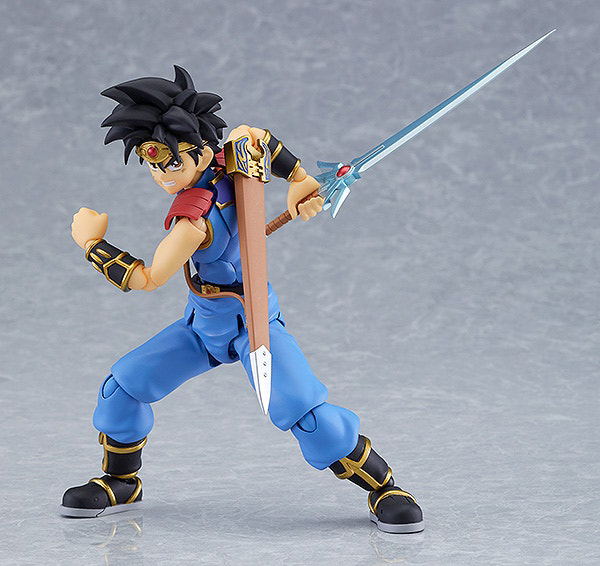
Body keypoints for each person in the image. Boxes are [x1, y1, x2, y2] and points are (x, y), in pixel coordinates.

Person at [61, 66, 423, 534]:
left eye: (173, 162)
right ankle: (121, 482)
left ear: (202, 149)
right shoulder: (229, 168)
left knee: (307, 416)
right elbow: (259, 138)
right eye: (154, 165)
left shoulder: (195, 217)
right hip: (201, 325)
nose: (164, 175)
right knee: (121, 387)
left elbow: (146, 279)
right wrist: (295, 176)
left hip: (254, 324)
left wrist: (91, 243)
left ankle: (385, 487)